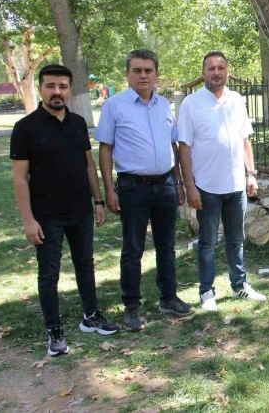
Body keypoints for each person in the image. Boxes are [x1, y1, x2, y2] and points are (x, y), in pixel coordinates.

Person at [10, 64, 119, 356]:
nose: (57, 92)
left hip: (80, 210)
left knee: (85, 264)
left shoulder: (78, 123)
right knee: (49, 274)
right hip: (46, 215)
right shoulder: (25, 128)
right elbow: (19, 178)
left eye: (62, 86)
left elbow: (88, 165)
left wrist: (98, 201)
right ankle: (54, 330)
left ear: (70, 90)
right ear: (40, 89)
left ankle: (91, 315)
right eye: (50, 86)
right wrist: (28, 220)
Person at [95, 49, 193, 331]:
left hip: (165, 185)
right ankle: (132, 306)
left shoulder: (163, 105)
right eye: (137, 70)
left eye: (148, 71)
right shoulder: (114, 106)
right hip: (132, 188)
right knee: (133, 249)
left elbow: (173, 145)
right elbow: (105, 149)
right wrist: (108, 189)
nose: (143, 76)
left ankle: (168, 298)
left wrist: (178, 182)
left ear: (156, 75)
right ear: (127, 74)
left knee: (166, 246)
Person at [178, 51, 266, 312]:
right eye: (211, 68)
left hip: (236, 186)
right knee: (207, 242)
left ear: (227, 71)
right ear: (203, 72)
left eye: (221, 68)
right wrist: (190, 186)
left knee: (236, 240)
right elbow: (184, 147)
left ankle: (239, 285)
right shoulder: (191, 104)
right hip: (206, 187)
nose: (216, 72)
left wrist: (251, 174)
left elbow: (245, 140)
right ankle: (206, 292)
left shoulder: (237, 100)